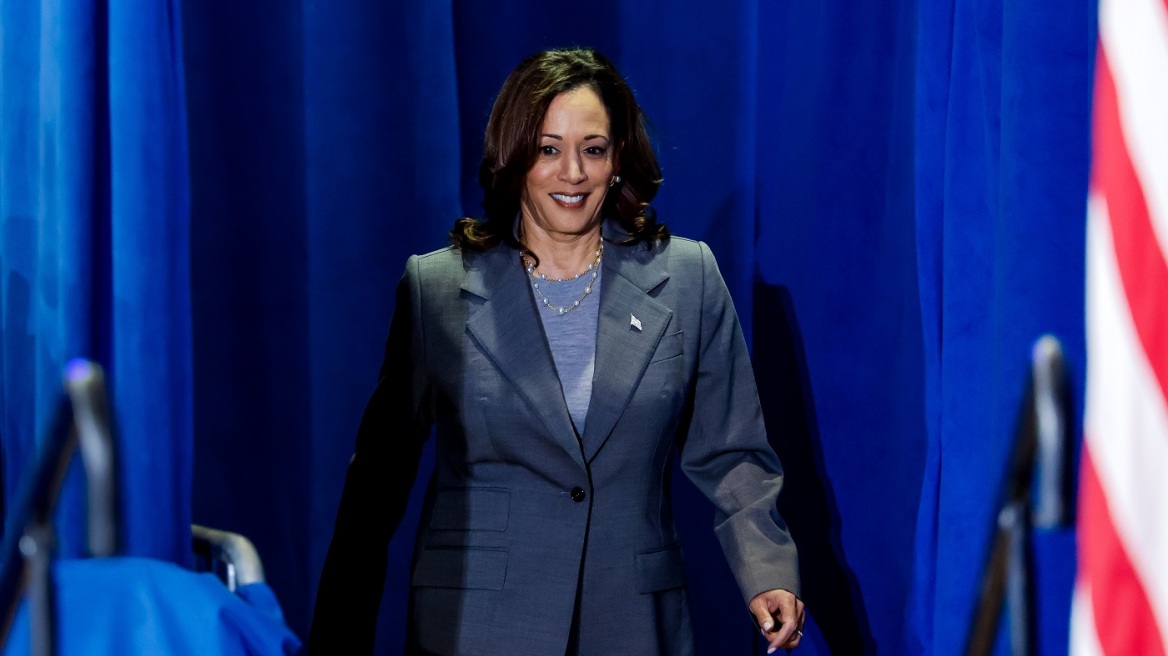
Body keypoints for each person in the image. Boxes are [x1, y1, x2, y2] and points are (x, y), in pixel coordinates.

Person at [309, 47, 804, 655]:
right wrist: (338, 632)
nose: (572, 172)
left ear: (617, 159)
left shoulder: (687, 278)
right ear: (515, 155)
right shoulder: (436, 289)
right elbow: (378, 479)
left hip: (630, 625)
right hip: (474, 628)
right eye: (548, 149)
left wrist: (768, 571)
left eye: (592, 149)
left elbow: (732, 452)